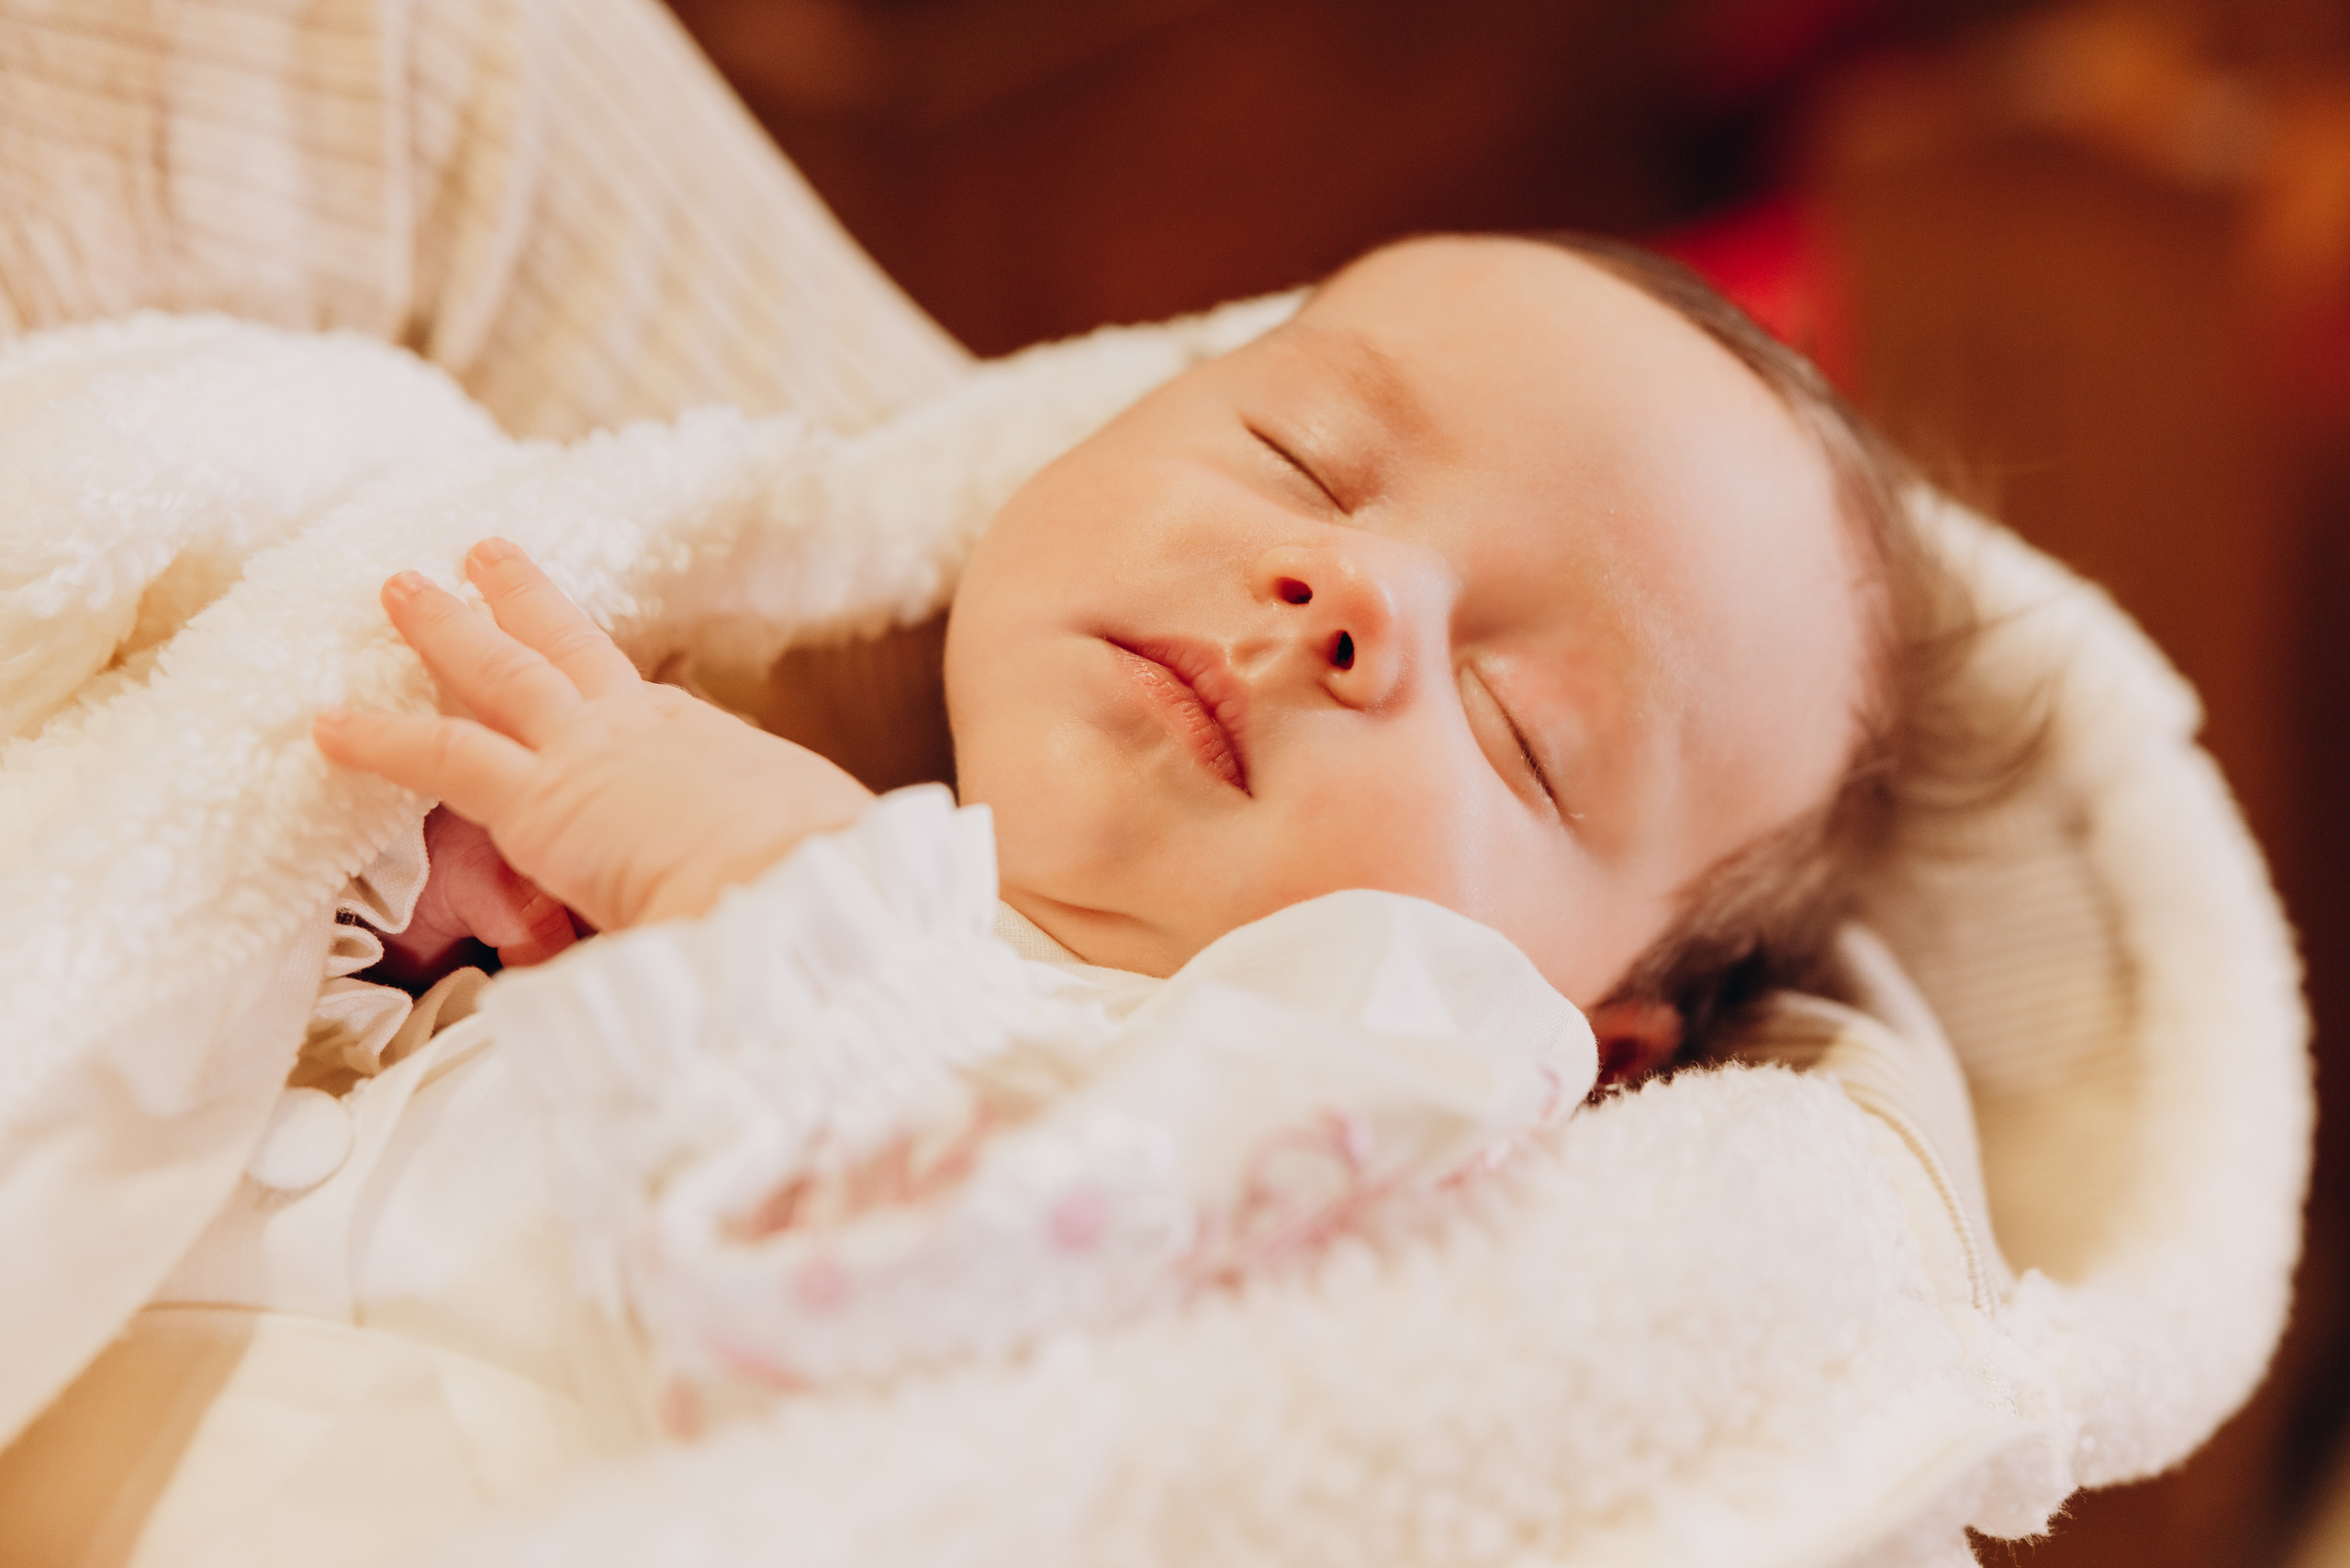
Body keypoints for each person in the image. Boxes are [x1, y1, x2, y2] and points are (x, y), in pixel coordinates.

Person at [321, 230, 1950, 1085]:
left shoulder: (1330, 1158)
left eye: (1520, 730)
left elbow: (973, 1272)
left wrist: (784, 891)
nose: (1351, 589)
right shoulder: (691, 749)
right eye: (1302, 455)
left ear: (1575, 1050)